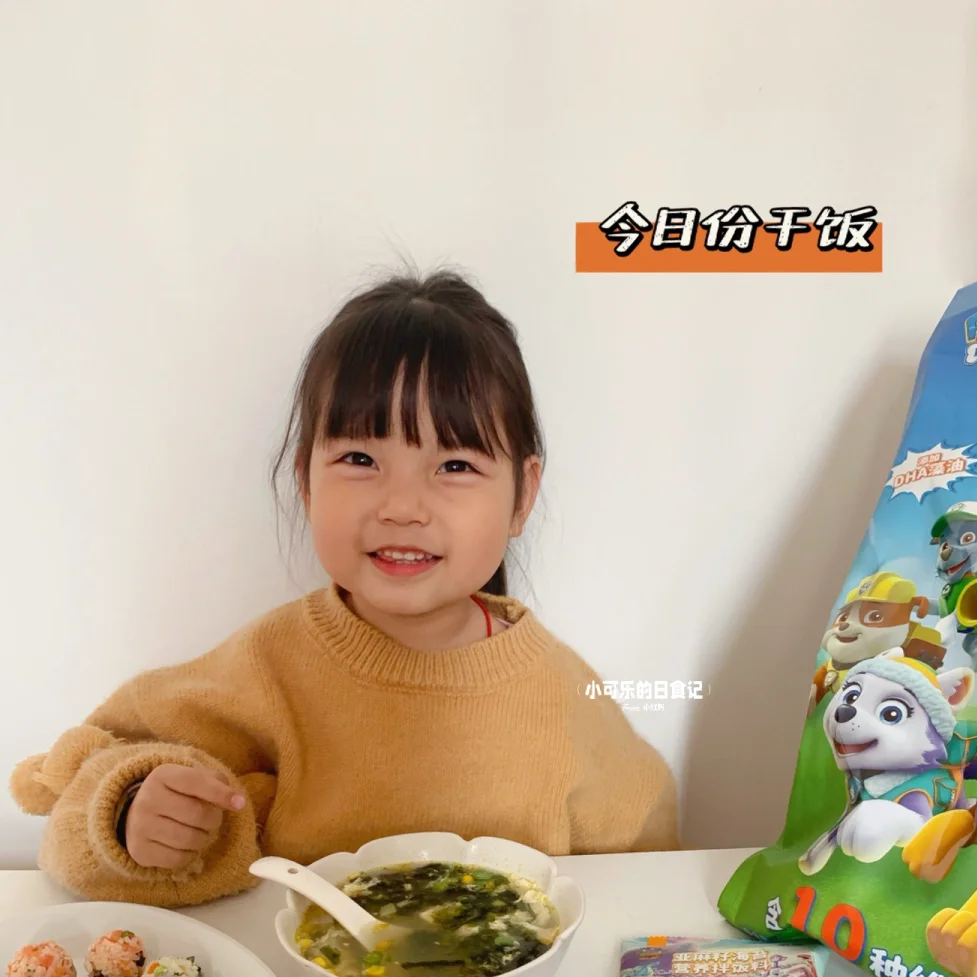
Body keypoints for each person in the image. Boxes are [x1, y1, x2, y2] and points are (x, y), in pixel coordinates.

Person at [10, 270, 678, 906]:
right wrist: (131, 814)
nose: (403, 506)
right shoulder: (269, 665)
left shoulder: (561, 694)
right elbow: (77, 803)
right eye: (360, 459)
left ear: (522, 496)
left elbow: (650, 876)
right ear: (306, 480)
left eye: (454, 464)